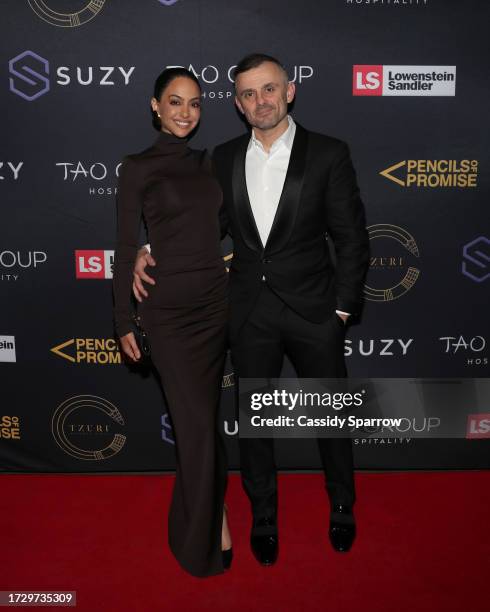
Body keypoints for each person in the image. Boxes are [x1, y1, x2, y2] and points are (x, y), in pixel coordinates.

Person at [133, 54, 370, 567]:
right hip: (247, 312)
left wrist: (345, 310)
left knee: (331, 417)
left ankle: (343, 506)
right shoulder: (220, 158)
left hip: (314, 311)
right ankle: (263, 514)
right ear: (237, 105)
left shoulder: (328, 153)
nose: (259, 101)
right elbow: (198, 226)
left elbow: (351, 237)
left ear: (289, 91)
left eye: (268, 90)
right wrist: (144, 248)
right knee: (255, 421)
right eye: (247, 94)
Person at [112, 68, 232, 577]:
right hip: (167, 314)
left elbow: (220, 229)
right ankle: (206, 530)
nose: (186, 112)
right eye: (175, 102)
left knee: (202, 420)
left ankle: (210, 506)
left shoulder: (211, 165)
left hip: (214, 305)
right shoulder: (136, 167)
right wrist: (122, 317)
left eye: (196, 104)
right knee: (195, 424)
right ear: (155, 106)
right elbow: (123, 245)